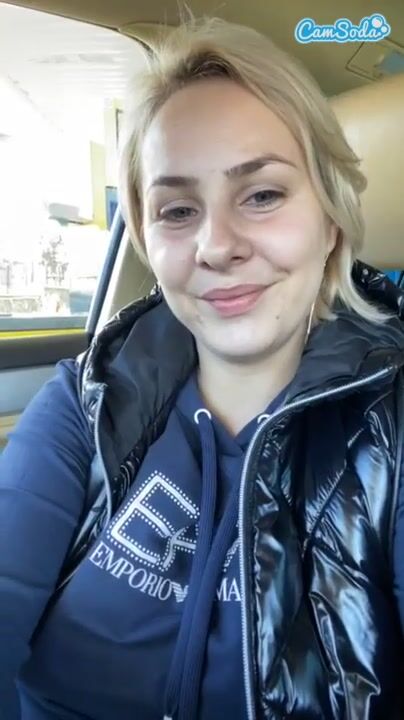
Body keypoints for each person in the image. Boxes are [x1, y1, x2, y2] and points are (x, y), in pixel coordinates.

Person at [1, 15, 404, 720]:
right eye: (178, 209)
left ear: (331, 218)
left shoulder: (390, 425)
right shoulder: (87, 402)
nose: (217, 245)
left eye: (263, 195)